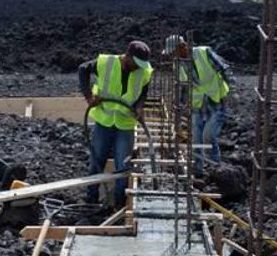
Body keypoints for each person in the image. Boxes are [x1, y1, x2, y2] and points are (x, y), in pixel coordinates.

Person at [78, 40, 154, 208]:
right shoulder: (107, 63)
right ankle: (91, 200)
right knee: (97, 161)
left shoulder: (144, 71)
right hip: (104, 121)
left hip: (126, 124)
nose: (139, 67)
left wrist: (140, 106)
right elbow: (83, 69)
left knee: (123, 167)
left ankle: (119, 206)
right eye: (136, 63)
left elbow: (143, 91)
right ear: (127, 56)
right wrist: (89, 96)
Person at [164, 35, 234, 177]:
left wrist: (232, 91)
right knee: (196, 139)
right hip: (197, 105)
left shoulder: (204, 53)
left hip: (216, 100)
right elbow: (181, 88)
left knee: (208, 136)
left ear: (183, 46)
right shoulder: (178, 64)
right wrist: (178, 104)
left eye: (173, 52)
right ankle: (198, 170)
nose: (172, 56)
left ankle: (216, 167)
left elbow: (224, 69)